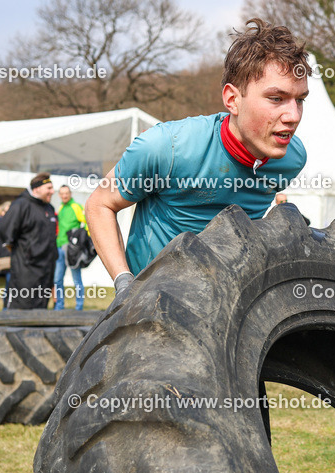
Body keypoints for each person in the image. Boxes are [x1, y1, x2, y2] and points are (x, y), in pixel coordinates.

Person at [86, 19, 309, 293]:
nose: (293, 116)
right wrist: (124, 284)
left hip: (227, 302)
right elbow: (99, 205)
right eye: (276, 98)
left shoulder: (291, 159)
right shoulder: (166, 148)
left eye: (300, 100)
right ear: (232, 99)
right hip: (153, 305)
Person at [0, 173, 57, 309]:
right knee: (22, 307)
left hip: (46, 269)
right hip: (26, 269)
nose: (52, 192)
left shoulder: (49, 208)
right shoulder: (21, 205)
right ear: (37, 189)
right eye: (49, 188)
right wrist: (21, 252)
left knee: (41, 307)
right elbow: (4, 229)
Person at [54, 185, 87, 311]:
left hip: (72, 249)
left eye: (66, 193)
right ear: (59, 195)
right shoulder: (61, 208)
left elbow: (87, 221)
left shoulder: (76, 206)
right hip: (59, 247)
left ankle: (79, 307)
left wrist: (83, 240)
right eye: (62, 193)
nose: (64, 195)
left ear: (70, 193)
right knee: (57, 279)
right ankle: (59, 305)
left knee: (76, 278)